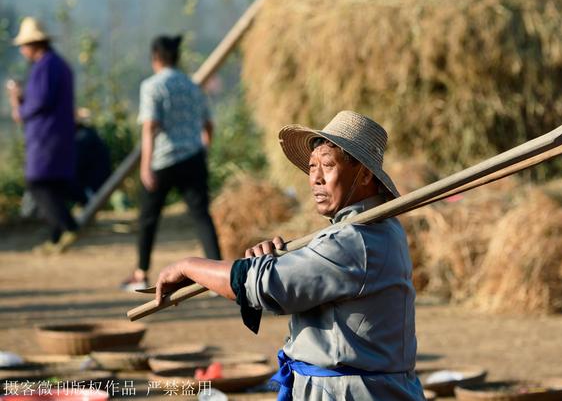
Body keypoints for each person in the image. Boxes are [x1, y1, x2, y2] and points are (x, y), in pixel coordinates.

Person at [153, 111, 425, 400]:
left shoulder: (355, 240)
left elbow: (258, 285)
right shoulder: (381, 230)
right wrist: (274, 260)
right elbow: (305, 271)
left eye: (328, 166)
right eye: (312, 167)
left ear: (365, 174)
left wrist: (188, 266)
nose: (316, 178)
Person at [121, 35, 221, 291]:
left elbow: (150, 127)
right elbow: (208, 125)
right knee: (201, 217)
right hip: (193, 158)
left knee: (148, 219)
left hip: (163, 161)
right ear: (176, 58)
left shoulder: (152, 86)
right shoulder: (192, 86)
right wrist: (203, 149)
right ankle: (219, 274)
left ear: (155, 57)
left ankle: (141, 273)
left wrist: (146, 166)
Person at [6, 17, 78, 253]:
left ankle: (69, 227)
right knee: (54, 186)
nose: (23, 49)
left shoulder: (45, 67)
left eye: (25, 45)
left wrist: (18, 103)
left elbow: (39, 103)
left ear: (35, 44)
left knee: (37, 184)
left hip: (46, 137)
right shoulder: (58, 65)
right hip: (58, 135)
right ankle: (55, 239)